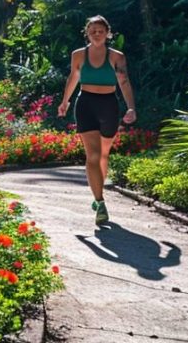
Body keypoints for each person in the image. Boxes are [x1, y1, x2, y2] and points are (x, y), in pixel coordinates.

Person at [57, 16, 137, 225]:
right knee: (92, 155)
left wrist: (131, 107)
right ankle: (99, 202)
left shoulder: (116, 57)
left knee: (103, 155)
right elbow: (73, 78)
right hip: (85, 105)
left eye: (100, 30)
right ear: (87, 32)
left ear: (108, 33)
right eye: (92, 30)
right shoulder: (78, 55)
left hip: (109, 104)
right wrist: (65, 101)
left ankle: (97, 192)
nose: (96, 34)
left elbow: (124, 81)